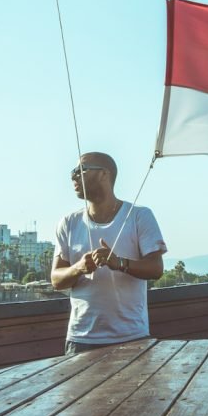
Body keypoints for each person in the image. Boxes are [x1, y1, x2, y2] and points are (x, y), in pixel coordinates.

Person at [51, 151, 167, 355]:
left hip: (131, 337)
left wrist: (119, 263)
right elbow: (56, 279)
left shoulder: (139, 216)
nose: (74, 176)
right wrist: (79, 267)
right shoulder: (69, 223)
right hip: (81, 339)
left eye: (81, 170)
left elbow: (156, 268)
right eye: (73, 171)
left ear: (104, 174)